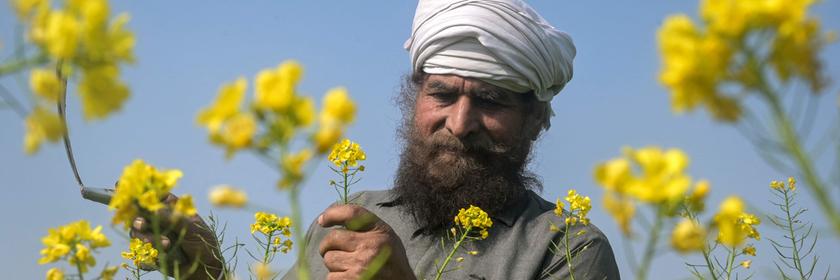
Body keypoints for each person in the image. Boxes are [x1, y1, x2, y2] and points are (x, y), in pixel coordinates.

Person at [130, 0, 620, 279]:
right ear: (414, 102)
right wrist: (203, 269)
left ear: (537, 120)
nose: (460, 121)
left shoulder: (566, 250)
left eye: (491, 102)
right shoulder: (348, 221)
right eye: (442, 94)